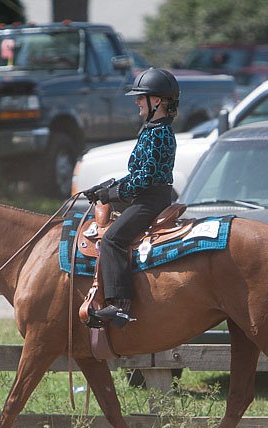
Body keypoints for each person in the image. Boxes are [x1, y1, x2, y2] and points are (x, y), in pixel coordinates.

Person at [82, 68, 179, 327]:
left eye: (141, 97)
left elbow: (144, 179)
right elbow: (136, 174)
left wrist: (112, 194)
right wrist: (107, 187)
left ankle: (119, 306)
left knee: (113, 240)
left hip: (151, 200)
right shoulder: (153, 130)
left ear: (157, 101)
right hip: (145, 197)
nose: (136, 101)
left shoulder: (158, 133)